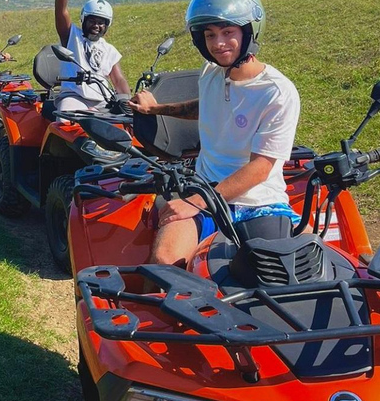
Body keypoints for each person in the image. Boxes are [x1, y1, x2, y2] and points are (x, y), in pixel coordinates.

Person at [129, 0, 301, 268]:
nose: (218, 43)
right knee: (164, 260)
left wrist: (198, 203)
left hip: (258, 201)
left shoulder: (276, 92)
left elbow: (261, 168)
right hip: (204, 186)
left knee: (275, 277)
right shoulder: (212, 73)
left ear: (249, 32)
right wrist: (155, 108)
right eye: (210, 35)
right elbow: (206, 106)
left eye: (227, 32)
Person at [54, 0, 130, 111]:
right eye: (92, 21)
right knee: (66, 124)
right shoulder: (72, 35)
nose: (96, 26)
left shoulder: (109, 50)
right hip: (74, 97)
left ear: (107, 25)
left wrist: (128, 103)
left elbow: (119, 80)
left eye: (101, 23)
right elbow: (61, 11)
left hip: (103, 100)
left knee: (122, 125)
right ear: (84, 19)